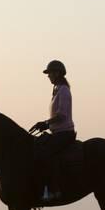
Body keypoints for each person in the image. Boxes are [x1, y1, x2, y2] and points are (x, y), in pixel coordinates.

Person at [29, 60, 76, 201]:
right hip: (57, 132)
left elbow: (62, 115)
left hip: (64, 133)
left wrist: (46, 123)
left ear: (57, 73)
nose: (48, 76)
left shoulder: (64, 91)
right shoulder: (57, 91)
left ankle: (53, 190)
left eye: (50, 73)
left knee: (45, 153)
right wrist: (46, 125)